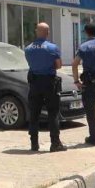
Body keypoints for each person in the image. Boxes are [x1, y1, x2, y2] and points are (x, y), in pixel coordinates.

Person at [24, 23, 66, 152]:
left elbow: (31, 63)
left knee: (34, 113)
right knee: (53, 113)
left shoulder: (28, 48)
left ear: (36, 32)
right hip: (49, 83)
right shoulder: (52, 48)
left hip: (34, 83)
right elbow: (59, 65)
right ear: (48, 33)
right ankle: (55, 143)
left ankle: (34, 144)